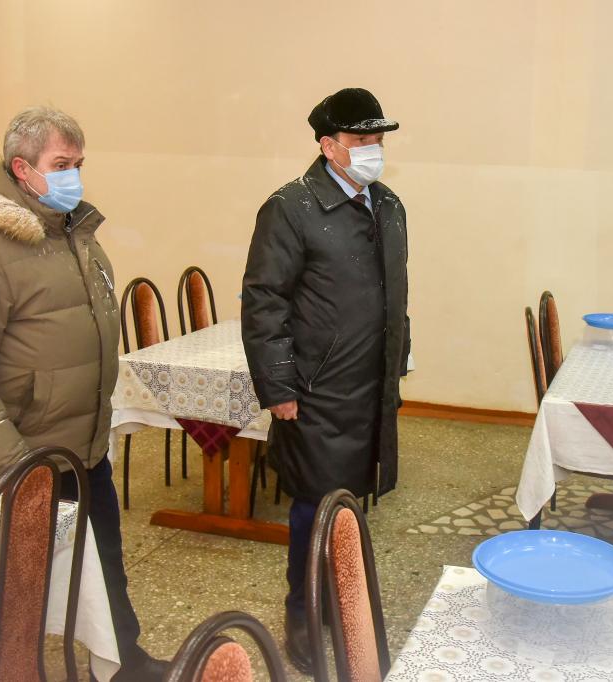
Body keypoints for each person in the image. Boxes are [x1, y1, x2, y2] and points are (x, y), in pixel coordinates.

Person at [0, 106, 166, 681]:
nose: (73, 175)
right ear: (21, 167)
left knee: (103, 567)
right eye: (61, 164)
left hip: (82, 449)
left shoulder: (74, 234)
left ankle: (123, 662)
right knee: (16, 594)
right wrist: (18, 465)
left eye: (78, 163)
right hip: (21, 458)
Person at [241, 87, 411, 673]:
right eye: (361, 139)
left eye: (378, 139)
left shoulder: (387, 206)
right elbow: (264, 302)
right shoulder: (291, 208)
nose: (373, 149)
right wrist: (278, 389)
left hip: (369, 385)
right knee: (314, 504)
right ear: (328, 145)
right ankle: (303, 613)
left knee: (350, 500)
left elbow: (395, 292)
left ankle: (343, 597)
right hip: (316, 389)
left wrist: (398, 357)